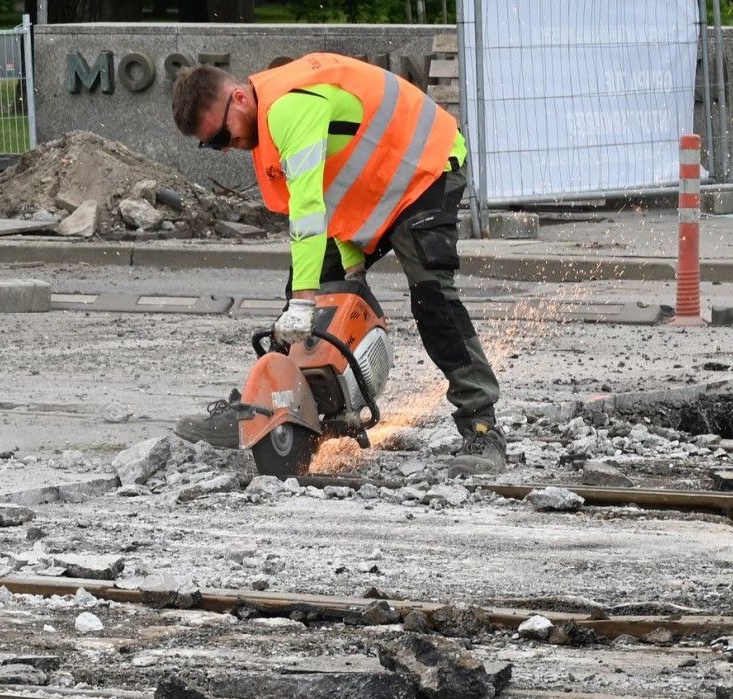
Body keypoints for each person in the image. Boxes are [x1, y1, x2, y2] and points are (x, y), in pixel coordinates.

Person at [168, 53, 504, 475]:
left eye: (221, 137)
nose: (226, 148)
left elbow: (308, 209)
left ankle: (482, 427)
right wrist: (334, 276)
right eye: (212, 145)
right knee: (307, 292)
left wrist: (306, 302)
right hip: (376, 188)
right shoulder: (262, 124)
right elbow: (326, 196)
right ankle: (294, 413)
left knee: (431, 297)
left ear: (238, 98)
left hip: (424, 170)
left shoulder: (290, 107)